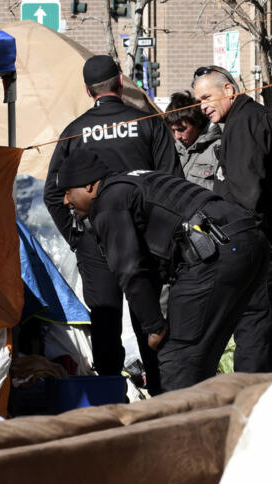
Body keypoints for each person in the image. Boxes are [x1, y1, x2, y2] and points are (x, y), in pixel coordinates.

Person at [57, 149, 269, 392]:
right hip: (250, 239)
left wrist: (154, 326)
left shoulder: (108, 202)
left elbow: (129, 269)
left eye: (67, 192)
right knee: (240, 340)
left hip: (214, 251)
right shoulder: (135, 181)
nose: (65, 202)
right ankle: (247, 412)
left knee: (177, 358)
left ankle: (176, 426)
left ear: (90, 187)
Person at [44, 55, 181, 394]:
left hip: (94, 241)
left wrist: (77, 238)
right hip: (144, 240)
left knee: (105, 322)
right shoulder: (148, 122)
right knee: (149, 320)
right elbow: (173, 185)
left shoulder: (74, 131)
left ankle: (109, 398)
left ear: (88, 90)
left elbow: (52, 194)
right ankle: (161, 396)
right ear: (120, 82)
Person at [192, 65, 272, 374]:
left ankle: (250, 387)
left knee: (253, 319)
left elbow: (247, 193)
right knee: (267, 316)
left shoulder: (245, 122)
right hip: (270, 234)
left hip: (259, 239)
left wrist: (237, 242)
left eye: (207, 97)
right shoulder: (249, 118)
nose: (203, 106)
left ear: (229, 91)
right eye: (199, 100)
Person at [164, 91, 222, 190]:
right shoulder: (171, 150)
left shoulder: (219, 149)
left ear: (197, 122)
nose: (177, 136)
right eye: (173, 130)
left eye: (181, 129)